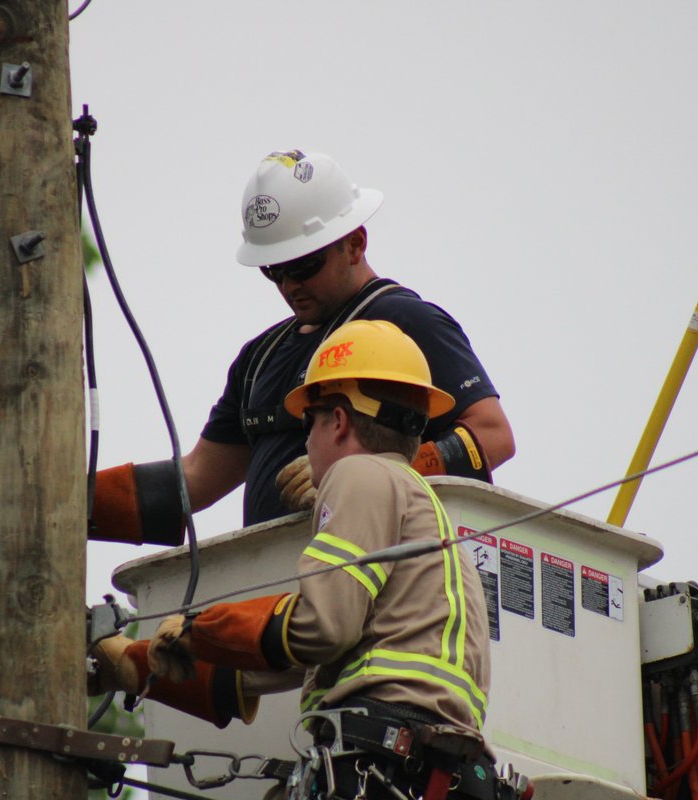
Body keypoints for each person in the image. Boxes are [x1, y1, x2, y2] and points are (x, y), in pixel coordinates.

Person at [88, 320, 495, 800]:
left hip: (384, 752)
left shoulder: (358, 475)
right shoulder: (428, 514)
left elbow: (322, 627)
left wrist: (202, 628)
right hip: (426, 767)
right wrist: (140, 662)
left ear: (338, 421)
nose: (304, 442)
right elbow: (297, 656)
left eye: (310, 422)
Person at [89, 149, 514, 546]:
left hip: (372, 582)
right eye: (274, 271)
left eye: (305, 266)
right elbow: (196, 478)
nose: (290, 286)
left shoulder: (402, 321)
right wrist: (70, 500)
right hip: (279, 586)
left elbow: (494, 435)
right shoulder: (261, 357)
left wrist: (351, 478)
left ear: (355, 243)